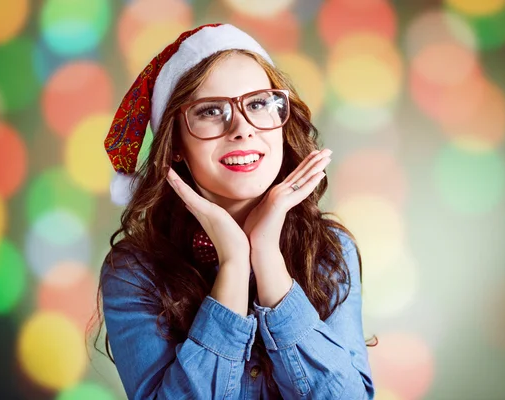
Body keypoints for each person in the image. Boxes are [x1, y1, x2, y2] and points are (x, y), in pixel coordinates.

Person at [95, 23, 375, 399]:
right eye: (211, 111)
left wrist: (267, 258)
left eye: (259, 103)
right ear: (175, 143)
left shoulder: (329, 249)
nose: (242, 129)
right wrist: (233, 265)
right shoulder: (134, 272)